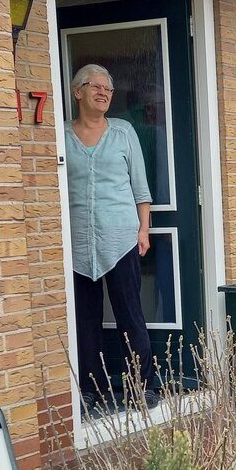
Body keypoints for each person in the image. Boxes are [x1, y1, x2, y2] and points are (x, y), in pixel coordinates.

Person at [65, 63, 158, 408]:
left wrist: (143, 230)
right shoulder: (61, 135)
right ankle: (91, 389)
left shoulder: (123, 132)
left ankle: (142, 385)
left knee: (129, 315)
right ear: (78, 92)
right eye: (96, 86)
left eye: (109, 88)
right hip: (76, 243)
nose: (104, 92)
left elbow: (141, 188)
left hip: (121, 239)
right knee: (85, 321)